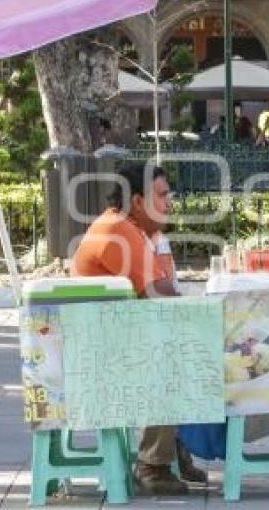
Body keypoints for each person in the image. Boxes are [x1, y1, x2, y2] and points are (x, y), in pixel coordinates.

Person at [71, 164, 206, 495]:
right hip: (102, 357)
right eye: (161, 196)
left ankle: (174, 449)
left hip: (101, 344)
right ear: (137, 201)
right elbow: (162, 291)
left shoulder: (125, 227)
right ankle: (153, 465)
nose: (169, 203)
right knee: (177, 355)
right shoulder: (120, 230)